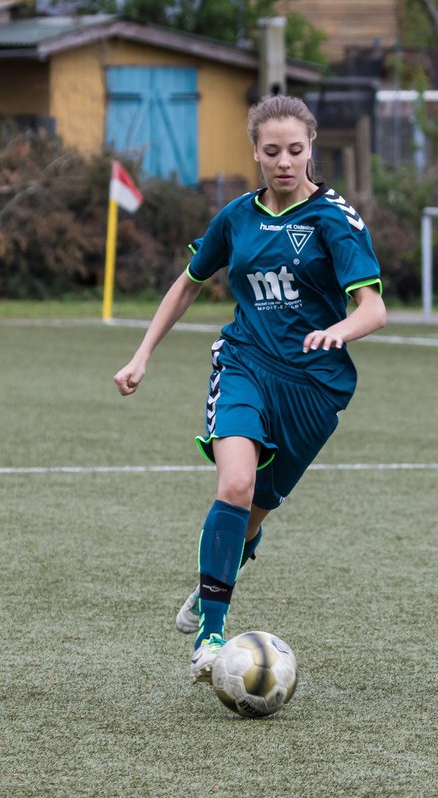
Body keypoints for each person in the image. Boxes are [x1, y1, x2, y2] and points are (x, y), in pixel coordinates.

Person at [113, 94, 387, 684]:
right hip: (245, 364)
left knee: (255, 514)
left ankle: (214, 579)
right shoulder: (236, 217)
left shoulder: (334, 220)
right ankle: (211, 635)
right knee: (234, 484)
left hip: (315, 388)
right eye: (271, 151)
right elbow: (188, 284)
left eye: (295, 149)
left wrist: (338, 329)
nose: (284, 161)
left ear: (311, 147)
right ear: (255, 153)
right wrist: (142, 354)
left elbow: (373, 308)